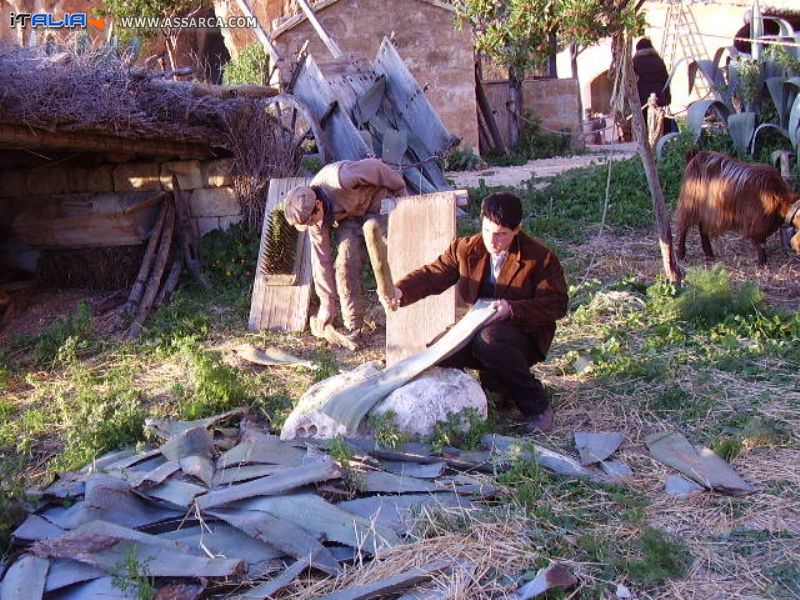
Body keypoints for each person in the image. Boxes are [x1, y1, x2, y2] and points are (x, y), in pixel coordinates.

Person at [387, 192, 568, 433]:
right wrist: (400, 291)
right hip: (476, 328)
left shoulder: (540, 258)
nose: (493, 240)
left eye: (501, 234)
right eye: (487, 231)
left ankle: (536, 406)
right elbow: (433, 274)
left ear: (517, 230)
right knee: (438, 351)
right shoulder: (466, 249)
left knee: (490, 340)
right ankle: (478, 398)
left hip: (522, 336)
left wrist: (511, 309)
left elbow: (556, 304)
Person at [283, 158, 407, 335]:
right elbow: (320, 261)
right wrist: (326, 304)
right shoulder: (312, 219)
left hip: (379, 203)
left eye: (311, 221)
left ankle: (405, 308)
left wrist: (402, 194)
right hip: (350, 218)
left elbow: (377, 168)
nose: (312, 225)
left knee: (394, 253)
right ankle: (354, 326)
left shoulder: (342, 178)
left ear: (318, 205)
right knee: (345, 264)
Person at [632, 38, 672, 135]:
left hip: (641, 98)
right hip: (659, 96)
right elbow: (665, 79)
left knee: (644, 126)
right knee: (659, 124)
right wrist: (667, 97)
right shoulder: (658, 60)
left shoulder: (635, 62)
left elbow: (632, 82)